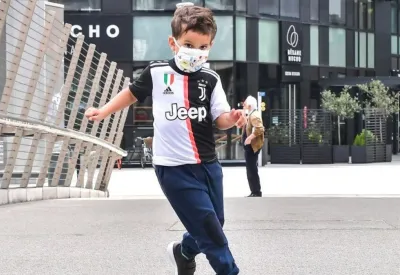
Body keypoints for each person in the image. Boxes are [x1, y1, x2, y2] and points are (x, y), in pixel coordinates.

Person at [84, 3, 244, 275]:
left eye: (203, 47)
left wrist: (233, 118)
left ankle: (183, 252)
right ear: (173, 43)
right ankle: (229, 271)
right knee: (209, 229)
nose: (196, 52)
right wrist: (103, 111)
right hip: (173, 168)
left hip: (208, 164)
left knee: (216, 220)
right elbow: (132, 93)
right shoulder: (158, 72)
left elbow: (220, 117)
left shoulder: (211, 79)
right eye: (189, 44)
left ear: (211, 46)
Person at [242, 96, 265, 197]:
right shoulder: (251, 114)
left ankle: (256, 191)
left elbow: (259, 129)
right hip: (250, 147)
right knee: (250, 169)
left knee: (252, 169)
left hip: (252, 147)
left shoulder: (254, 115)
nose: (244, 105)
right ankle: (254, 191)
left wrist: (249, 138)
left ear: (250, 105)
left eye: (245, 103)